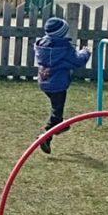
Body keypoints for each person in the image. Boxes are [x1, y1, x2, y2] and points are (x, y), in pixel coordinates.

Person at [33, 16, 90, 154]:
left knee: (56, 109)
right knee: (56, 112)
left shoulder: (42, 44)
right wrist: (85, 52)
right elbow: (77, 61)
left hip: (44, 81)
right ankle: (46, 136)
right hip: (57, 84)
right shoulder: (64, 47)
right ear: (62, 33)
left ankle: (60, 126)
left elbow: (61, 61)